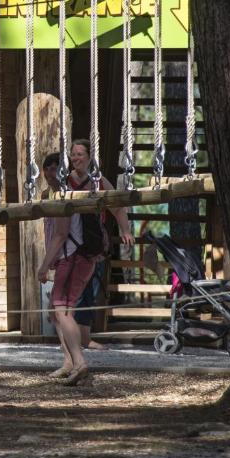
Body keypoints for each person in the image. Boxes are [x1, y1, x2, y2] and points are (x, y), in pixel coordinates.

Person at [38, 139, 135, 386]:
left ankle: (79, 362)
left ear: (90, 156)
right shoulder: (64, 183)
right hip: (73, 255)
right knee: (58, 311)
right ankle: (69, 362)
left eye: (80, 154)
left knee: (62, 308)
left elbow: (115, 205)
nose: (76, 158)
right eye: (73, 154)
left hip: (77, 253)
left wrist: (125, 229)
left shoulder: (95, 181)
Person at [42, 153, 105, 351]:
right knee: (57, 310)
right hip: (69, 257)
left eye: (55, 169)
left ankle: (76, 357)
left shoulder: (65, 196)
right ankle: (70, 357)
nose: (50, 173)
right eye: (47, 169)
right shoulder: (51, 195)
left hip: (74, 257)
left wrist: (44, 266)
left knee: (63, 310)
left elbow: (60, 234)